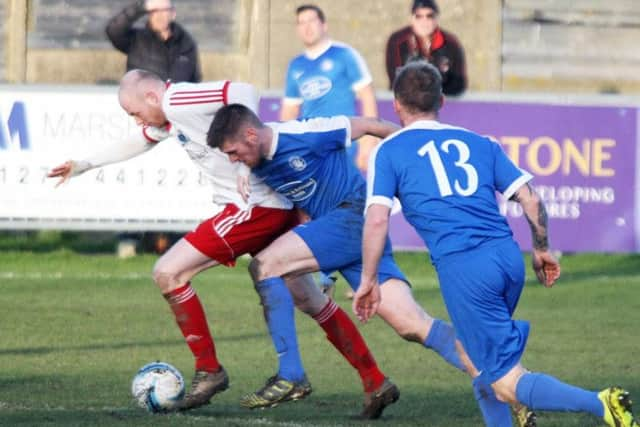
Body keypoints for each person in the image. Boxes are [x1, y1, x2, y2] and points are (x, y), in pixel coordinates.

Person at [47, 70, 394, 416]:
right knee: (309, 298)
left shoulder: (176, 99)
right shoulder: (168, 117)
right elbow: (142, 139)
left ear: (152, 97)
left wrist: (243, 170)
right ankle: (375, 380)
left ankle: (210, 370)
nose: (135, 120)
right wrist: (84, 164)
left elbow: (242, 90)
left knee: (168, 272)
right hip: (270, 206)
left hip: (254, 208)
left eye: (135, 112)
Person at [356, 60, 639, 427]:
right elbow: (532, 200)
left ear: (395, 104)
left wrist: (367, 280)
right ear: (441, 99)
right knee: (479, 361)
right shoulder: (479, 142)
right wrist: (541, 249)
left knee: (506, 381)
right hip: (506, 259)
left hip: (466, 270)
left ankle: (601, 404)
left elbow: (377, 219)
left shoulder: (389, 150)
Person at [207, 105, 474, 420]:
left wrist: (416, 156)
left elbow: (372, 124)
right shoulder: (255, 161)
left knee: (264, 267)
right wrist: (241, 169)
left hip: (353, 217)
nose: (233, 160)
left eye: (234, 153)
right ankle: (505, 375)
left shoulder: (306, 133)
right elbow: (300, 208)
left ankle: (290, 373)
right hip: (351, 237)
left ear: (251, 134)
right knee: (412, 325)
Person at [281, 4, 379, 294]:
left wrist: (369, 139)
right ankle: (327, 275)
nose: (307, 27)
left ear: (324, 24)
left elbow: (367, 95)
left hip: (343, 144)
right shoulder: (296, 66)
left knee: (353, 208)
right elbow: (289, 110)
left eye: (311, 20)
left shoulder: (343, 55)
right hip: (311, 150)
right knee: (319, 212)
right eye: (301, 23)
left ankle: (366, 275)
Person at [106, 0, 201, 83]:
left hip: (174, 101)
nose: (158, 16)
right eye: (154, 11)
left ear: (173, 14)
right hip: (142, 101)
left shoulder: (186, 42)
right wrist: (140, 7)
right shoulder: (136, 39)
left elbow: (194, 79)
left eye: (163, 11)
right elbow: (114, 30)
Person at [385, 0, 466, 96]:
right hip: (408, 101)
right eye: (418, 16)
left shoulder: (451, 43)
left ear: (436, 18)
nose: (424, 21)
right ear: (411, 18)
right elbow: (396, 80)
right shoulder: (398, 41)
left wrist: (433, 94)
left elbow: (459, 83)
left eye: (429, 16)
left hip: (443, 100)